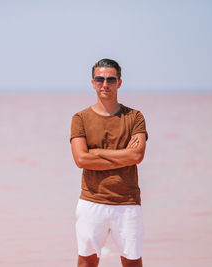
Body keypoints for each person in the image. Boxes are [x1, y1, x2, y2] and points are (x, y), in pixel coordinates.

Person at [70, 58, 148, 267]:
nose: (105, 84)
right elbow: (81, 159)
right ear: (93, 82)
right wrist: (123, 155)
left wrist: (96, 154)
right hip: (91, 201)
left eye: (111, 79)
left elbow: (137, 156)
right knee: (87, 261)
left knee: (132, 262)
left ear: (119, 83)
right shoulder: (80, 118)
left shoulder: (134, 117)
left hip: (128, 202)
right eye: (100, 79)